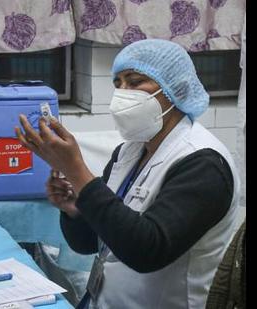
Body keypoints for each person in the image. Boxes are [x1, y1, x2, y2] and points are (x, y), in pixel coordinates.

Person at [15, 39, 240, 309]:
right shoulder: (128, 152)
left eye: (135, 82)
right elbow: (92, 243)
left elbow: (147, 250)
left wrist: (77, 172)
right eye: (118, 83)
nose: (123, 93)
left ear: (174, 88)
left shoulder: (204, 163)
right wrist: (76, 210)